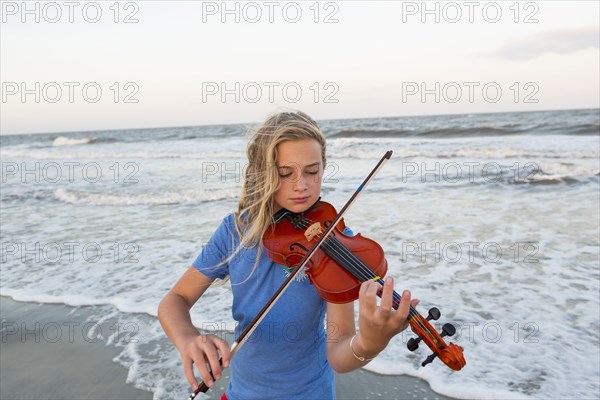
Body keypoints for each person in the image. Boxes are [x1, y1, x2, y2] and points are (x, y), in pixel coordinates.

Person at [158, 111, 418, 399]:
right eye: (285, 173)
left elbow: (339, 351)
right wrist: (187, 338)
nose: (301, 185)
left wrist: (369, 343)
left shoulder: (333, 241)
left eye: (312, 171)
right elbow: (174, 300)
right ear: (263, 174)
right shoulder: (235, 232)